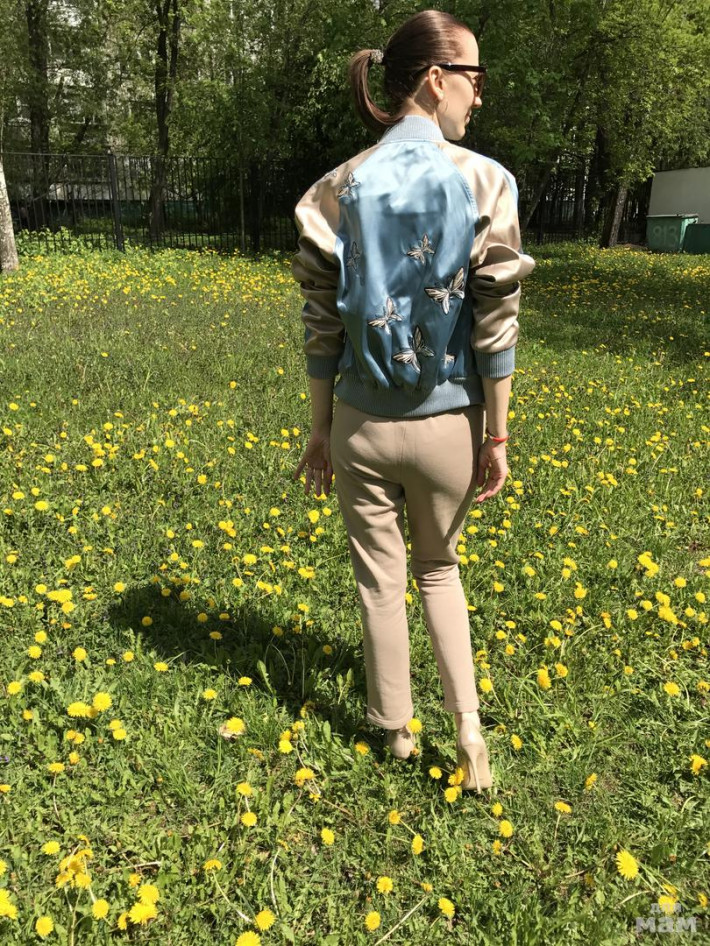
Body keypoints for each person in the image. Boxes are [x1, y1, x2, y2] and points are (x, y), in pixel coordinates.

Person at [290, 9, 535, 792]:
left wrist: (320, 431)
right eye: (474, 77)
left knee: (379, 582)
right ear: (435, 80)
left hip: (360, 425)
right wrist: (497, 435)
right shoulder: (487, 182)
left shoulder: (333, 189)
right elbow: (496, 319)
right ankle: (468, 729)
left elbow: (321, 323)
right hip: (447, 424)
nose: (478, 96)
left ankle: (395, 732)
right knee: (439, 570)